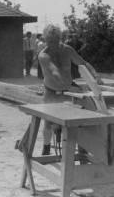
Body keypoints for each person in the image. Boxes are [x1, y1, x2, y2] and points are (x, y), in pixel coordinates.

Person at [38, 25, 103, 155]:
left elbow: (82, 63)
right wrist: (70, 86)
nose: (53, 44)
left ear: (60, 38)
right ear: (45, 40)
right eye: (50, 41)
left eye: (55, 41)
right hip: (51, 93)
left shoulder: (67, 50)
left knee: (77, 121)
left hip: (68, 93)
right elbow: (55, 72)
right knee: (48, 123)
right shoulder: (44, 55)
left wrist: (94, 75)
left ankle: (82, 147)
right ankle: (46, 147)